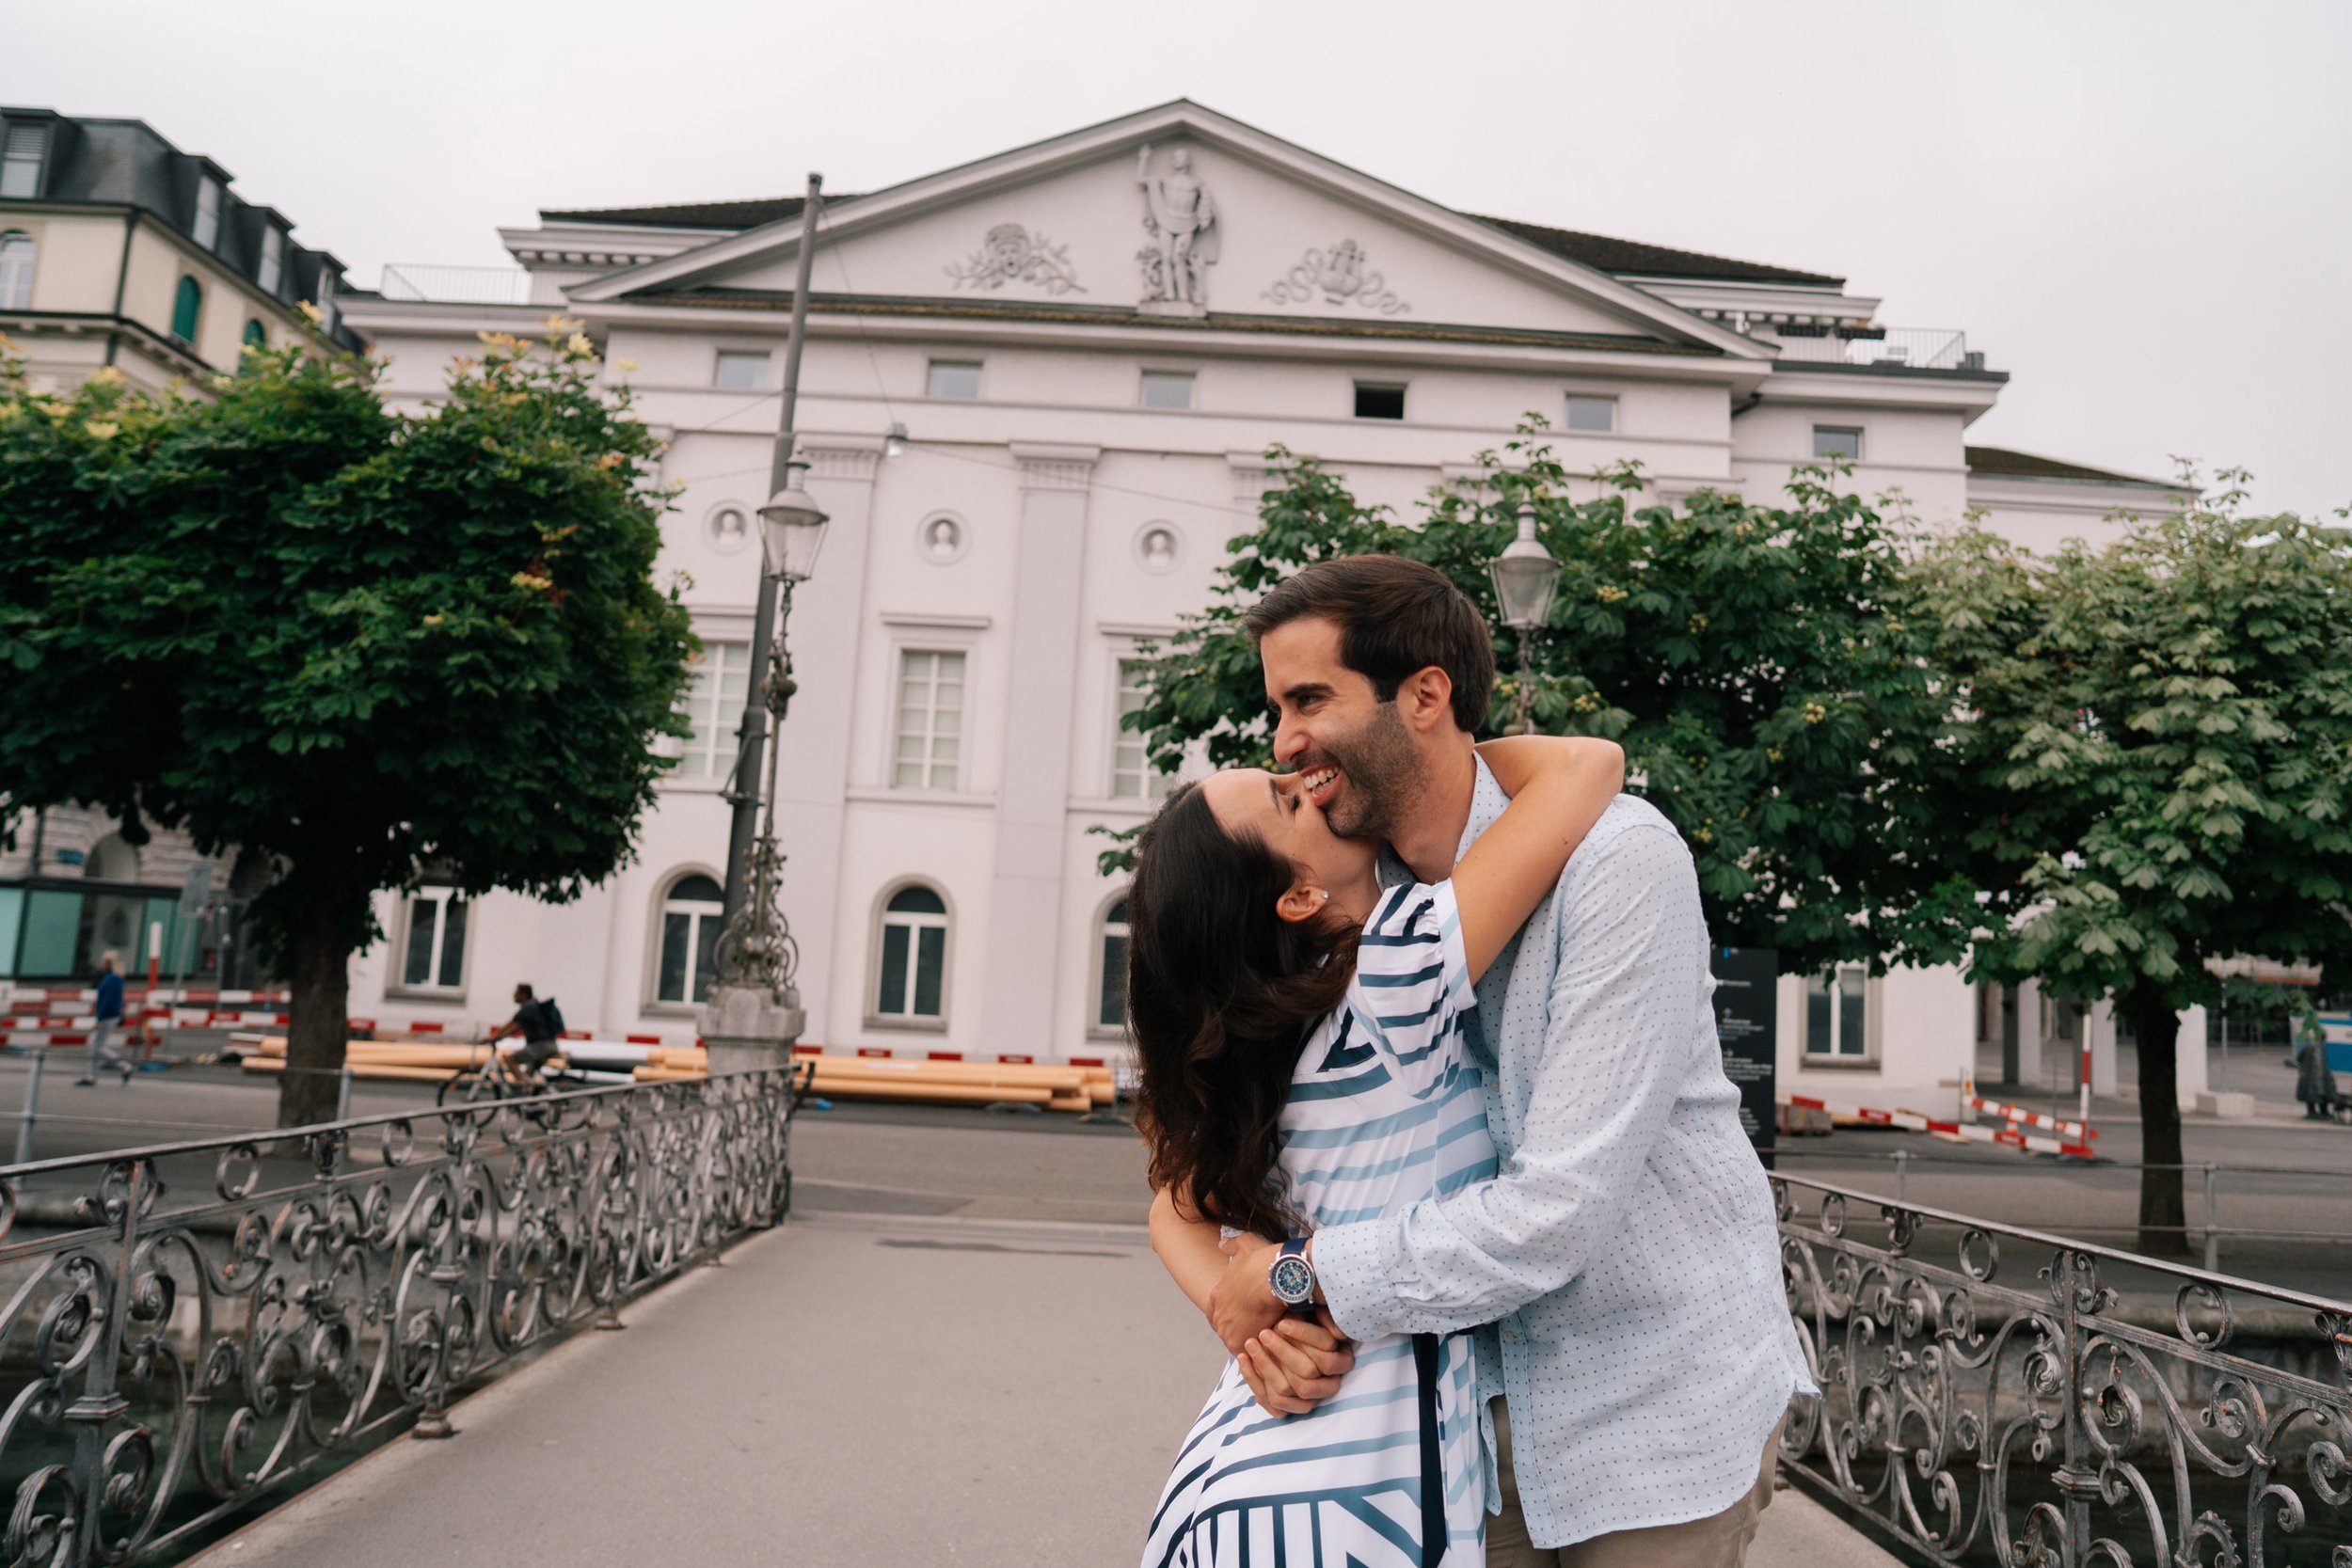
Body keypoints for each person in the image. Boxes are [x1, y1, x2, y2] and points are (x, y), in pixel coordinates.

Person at [1157, 557, 1814, 1568]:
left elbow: (1556, 1213)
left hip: (1649, 1406)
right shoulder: (1346, 911)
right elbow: (1180, 1187)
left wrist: (1292, 1275)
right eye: (1277, 709)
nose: (1283, 741)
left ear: (1424, 695)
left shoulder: (1616, 861)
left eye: (1308, 700)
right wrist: (1239, 1312)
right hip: (1447, 1430)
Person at [1131, 731, 1625, 1568]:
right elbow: (1589, 764)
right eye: (1288, 799)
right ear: (1297, 896)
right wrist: (1402, 753)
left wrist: (1241, 1315)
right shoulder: (1395, 972)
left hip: (1243, 1478)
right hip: (1355, 1502)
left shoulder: (1276, 1037)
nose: (1305, 778)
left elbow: (1171, 1209)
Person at [483, 983, 563, 1086]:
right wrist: (499, 1037)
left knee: (510, 1060)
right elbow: (514, 1028)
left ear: (523, 995)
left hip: (541, 1046)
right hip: (548, 1045)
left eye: (516, 993)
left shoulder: (528, 1008)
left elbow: (511, 1025)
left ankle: (524, 1088)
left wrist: (493, 1037)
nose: (513, 996)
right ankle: (529, 1091)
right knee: (527, 1075)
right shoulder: (533, 1006)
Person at [77, 950, 135, 1085]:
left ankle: (122, 1065)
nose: (101, 963)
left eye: (104, 960)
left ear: (109, 963)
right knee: (96, 1046)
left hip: (107, 1017)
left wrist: (99, 1018)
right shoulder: (115, 978)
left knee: (96, 1046)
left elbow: (107, 1001)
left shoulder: (112, 979)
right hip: (111, 1016)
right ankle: (92, 1074)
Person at [2294, 1015, 2340, 1120]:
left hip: (2308, 1077)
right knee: (2323, 1093)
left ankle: (2312, 1112)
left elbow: (2298, 1058)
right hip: (2322, 1078)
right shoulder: (2325, 1049)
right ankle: (2323, 1112)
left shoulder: (2309, 1047)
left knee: (2311, 1095)